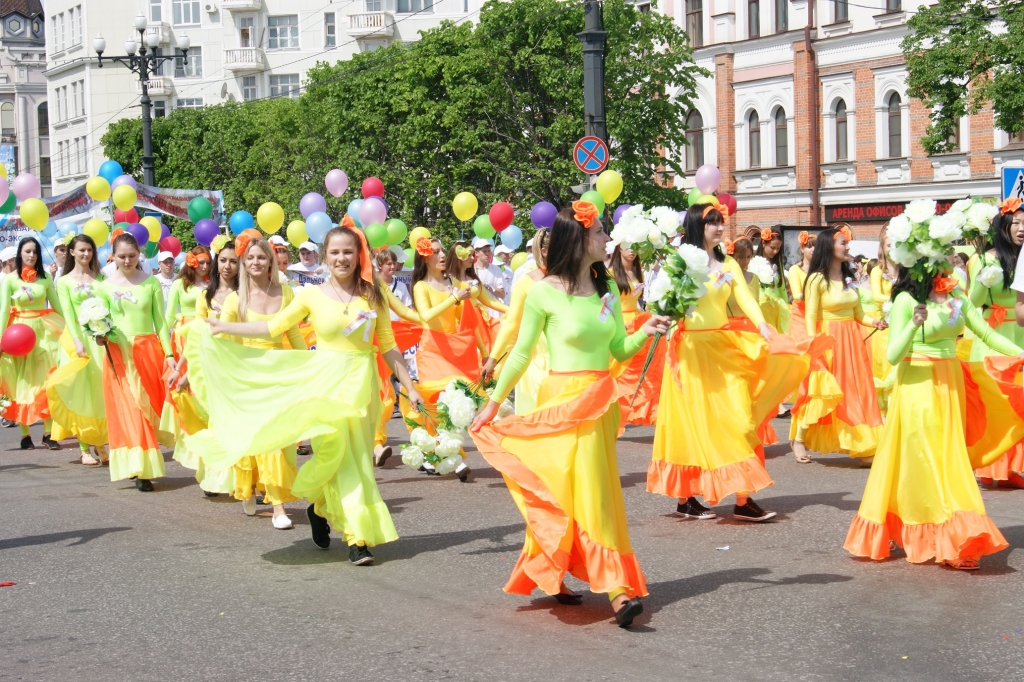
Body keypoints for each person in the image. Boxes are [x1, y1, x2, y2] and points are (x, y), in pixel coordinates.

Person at [471, 202, 670, 628]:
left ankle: (605, 585)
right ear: (579, 240)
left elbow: (616, 350)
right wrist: (491, 404)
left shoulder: (608, 291)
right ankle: (590, 582)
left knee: (596, 494)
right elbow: (522, 354)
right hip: (559, 403)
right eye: (599, 231)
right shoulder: (543, 290)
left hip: (599, 404)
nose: (605, 238)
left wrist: (644, 330)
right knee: (562, 491)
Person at [201, 226, 422, 565]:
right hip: (326, 385)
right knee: (339, 458)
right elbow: (272, 328)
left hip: (362, 386)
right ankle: (356, 538)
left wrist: (409, 386)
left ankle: (319, 508)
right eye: (334, 252)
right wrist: (225, 327)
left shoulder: (373, 293)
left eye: (348, 252)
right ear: (325, 256)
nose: (341, 258)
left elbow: (389, 346)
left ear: (358, 255)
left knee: (359, 460)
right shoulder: (310, 294)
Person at [648, 206, 822, 522]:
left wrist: (764, 327)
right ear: (696, 226)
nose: (718, 227)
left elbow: (744, 297)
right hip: (689, 351)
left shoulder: (728, 262)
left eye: (720, 222)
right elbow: (660, 301)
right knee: (691, 422)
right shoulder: (680, 261)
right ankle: (685, 498)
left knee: (740, 417)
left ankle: (743, 498)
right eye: (711, 222)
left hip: (723, 346)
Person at [844, 265, 1024, 570]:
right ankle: (952, 537)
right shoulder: (905, 300)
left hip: (950, 382)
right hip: (917, 384)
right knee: (927, 458)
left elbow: (988, 334)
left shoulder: (956, 296)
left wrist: (1020, 354)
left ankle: (943, 532)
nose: (944, 260)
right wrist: (914, 325)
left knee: (947, 457)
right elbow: (892, 355)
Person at [203, 236, 306, 527]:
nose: (256, 263)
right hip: (247, 378)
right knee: (254, 440)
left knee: (279, 441)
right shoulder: (236, 299)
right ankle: (261, 496)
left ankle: (274, 501)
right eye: (250, 258)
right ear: (243, 264)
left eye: (262, 257)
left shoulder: (286, 294)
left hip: (278, 375)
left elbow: (294, 334)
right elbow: (224, 337)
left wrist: (311, 362)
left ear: (271, 261)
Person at [790, 227, 886, 465]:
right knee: (822, 390)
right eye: (843, 242)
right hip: (829, 339)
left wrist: (874, 321)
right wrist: (815, 346)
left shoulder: (848, 278)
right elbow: (810, 315)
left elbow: (859, 313)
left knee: (857, 391)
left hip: (852, 341)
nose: (848, 246)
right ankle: (799, 438)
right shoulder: (816, 279)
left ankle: (863, 445)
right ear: (829, 247)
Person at [96, 233, 174, 492]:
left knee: (147, 407)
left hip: (146, 351)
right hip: (118, 353)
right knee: (130, 410)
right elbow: (100, 321)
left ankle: (139, 462)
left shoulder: (150, 283)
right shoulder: (104, 287)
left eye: (132, 255)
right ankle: (141, 469)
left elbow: (160, 323)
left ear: (139, 254)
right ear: (113, 256)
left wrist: (170, 356)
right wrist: (99, 336)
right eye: (122, 256)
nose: (127, 260)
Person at [969, 198, 1024, 488]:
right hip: (995, 336)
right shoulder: (984, 258)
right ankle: (991, 463)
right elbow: (973, 303)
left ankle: (1016, 465)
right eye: (1016, 223)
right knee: (999, 404)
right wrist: (983, 280)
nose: (1021, 228)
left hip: (1021, 333)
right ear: (1003, 226)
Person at [45, 235, 108, 465]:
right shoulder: (63, 282)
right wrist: (76, 340)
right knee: (80, 390)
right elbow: (68, 314)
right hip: (77, 339)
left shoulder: (101, 277)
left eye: (89, 250)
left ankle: (100, 442)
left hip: (99, 338)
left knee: (99, 390)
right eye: (81, 250)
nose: (86, 254)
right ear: (71, 252)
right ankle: (83, 447)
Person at [0, 237, 65, 450]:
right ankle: (24, 434)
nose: (31, 255)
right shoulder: (9, 280)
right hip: (16, 336)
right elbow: (3, 311)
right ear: (20, 254)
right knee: (20, 383)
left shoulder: (45, 279)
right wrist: (1, 340)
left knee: (44, 382)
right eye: (27, 251)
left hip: (42, 336)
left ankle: (48, 433)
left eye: (35, 252)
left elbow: (57, 307)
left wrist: (72, 332)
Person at [482, 229, 551, 415]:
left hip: (568, 360)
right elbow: (512, 322)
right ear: (544, 251)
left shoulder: (574, 279)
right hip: (537, 362)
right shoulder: (526, 282)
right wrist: (493, 359)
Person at [608, 243, 663, 426]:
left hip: (637, 320)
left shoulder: (638, 271)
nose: (631, 251)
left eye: (635, 247)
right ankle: (613, 410)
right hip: (621, 323)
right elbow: (607, 304)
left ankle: (643, 409)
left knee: (643, 367)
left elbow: (637, 300)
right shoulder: (611, 274)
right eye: (627, 246)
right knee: (620, 369)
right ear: (618, 248)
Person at [869, 227, 899, 413]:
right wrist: (896, 301)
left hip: (901, 323)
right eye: (889, 245)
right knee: (884, 367)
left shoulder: (906, 270)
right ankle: (883, 412)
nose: (892, 248)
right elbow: (876, 295)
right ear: (882, 248)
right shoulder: (878, 271)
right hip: (884, 324)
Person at [165, 245, 211, 358]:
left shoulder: (213, 284)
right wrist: (161, 336)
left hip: (209, 331)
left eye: (208, 263)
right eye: (201, 262)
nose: (205, 267)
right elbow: (170, 314)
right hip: (187, 332)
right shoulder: (179, 284)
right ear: (192, 262)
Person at [756, 227, 791, 334]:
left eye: (778, 248)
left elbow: (782, 289)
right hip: (762, 307)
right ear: (763, 243)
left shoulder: (778, 263)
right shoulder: (754, 263)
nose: (775, 251)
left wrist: (786, 307)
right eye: (772, 247)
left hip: (778, 308)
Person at [787, 231, 816, 342]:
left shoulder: (822, 270)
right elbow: (797, 297)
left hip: (818, 316)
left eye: (816, 247)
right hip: (800, 317)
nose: (813, 249)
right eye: (809, 246)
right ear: (802, 249)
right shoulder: (795, 269)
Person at [473, 238, 506, 314]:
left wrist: (489, 287)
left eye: (488, 251)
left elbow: (502, 294)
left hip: (494, 312)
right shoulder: (471, 270)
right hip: (478, 311)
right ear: (476, 253)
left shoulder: (496, 269)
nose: (487, 254)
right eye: (484, 251)